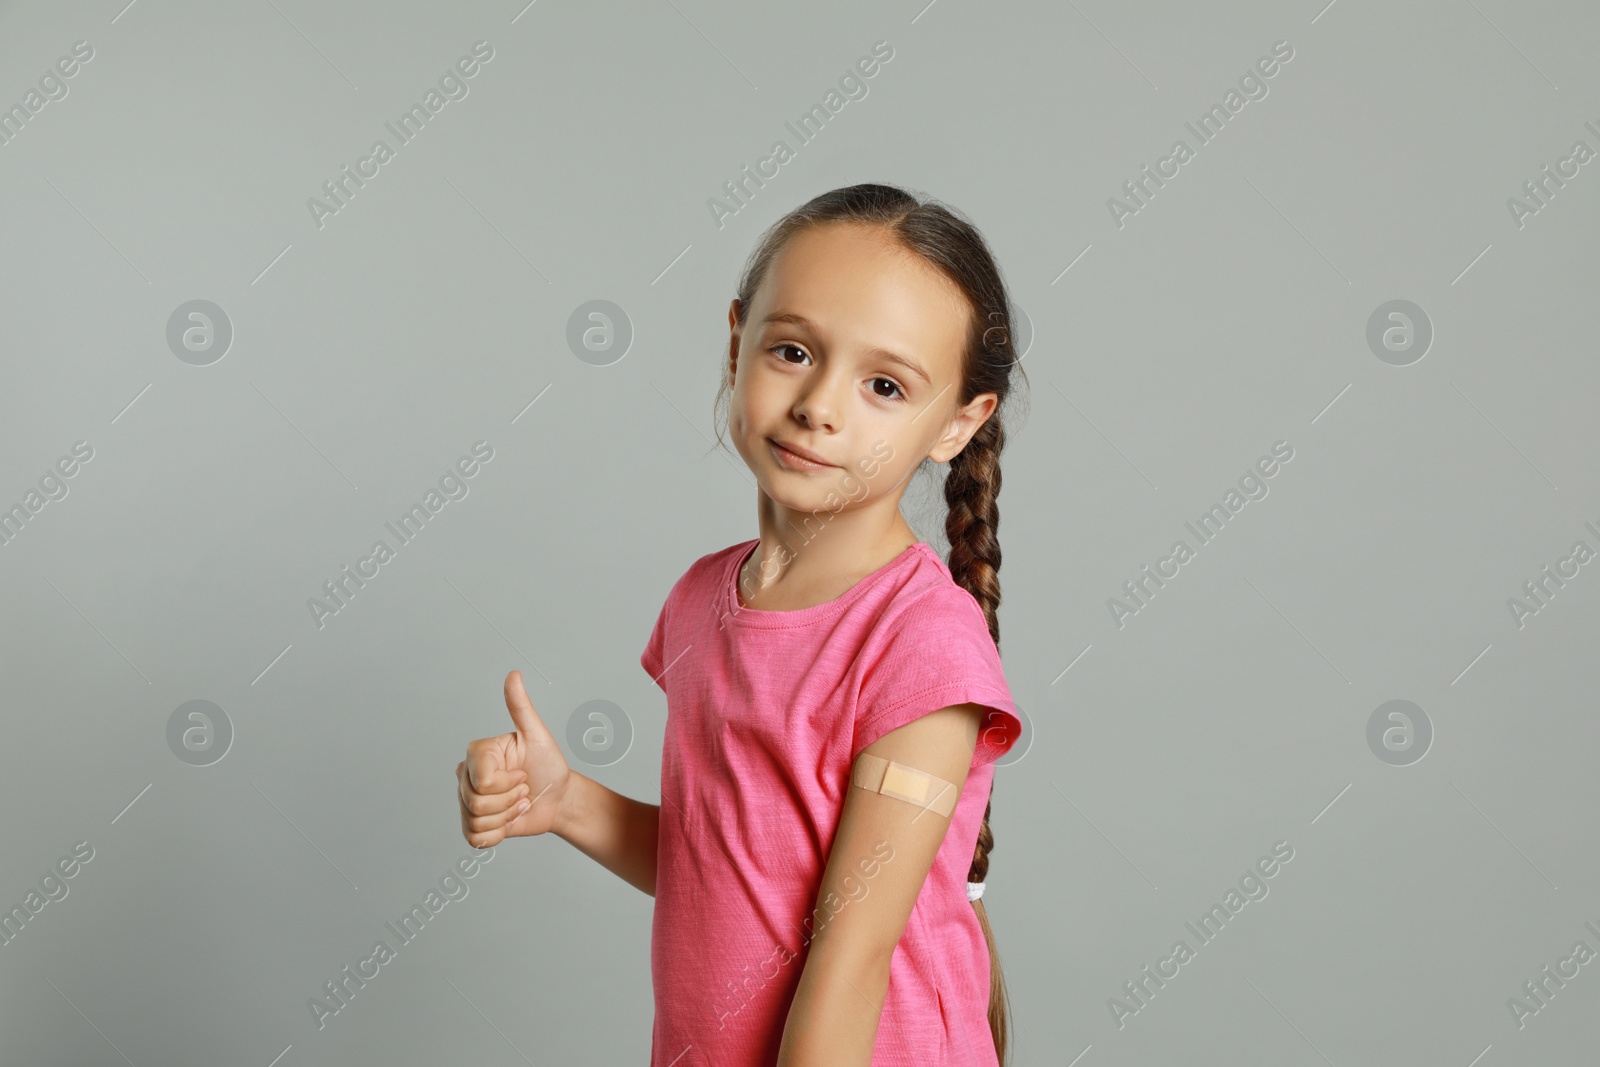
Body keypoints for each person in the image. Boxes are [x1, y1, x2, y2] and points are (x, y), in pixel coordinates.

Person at [456, 182, 1030, 1066]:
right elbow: (726, 873)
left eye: (884, 384)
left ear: (957, 423)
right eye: (794, 351)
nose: (820, 405)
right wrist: (567, 802)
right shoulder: (699, 600)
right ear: (736, 346)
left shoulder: (922, 643)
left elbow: (851, 953)